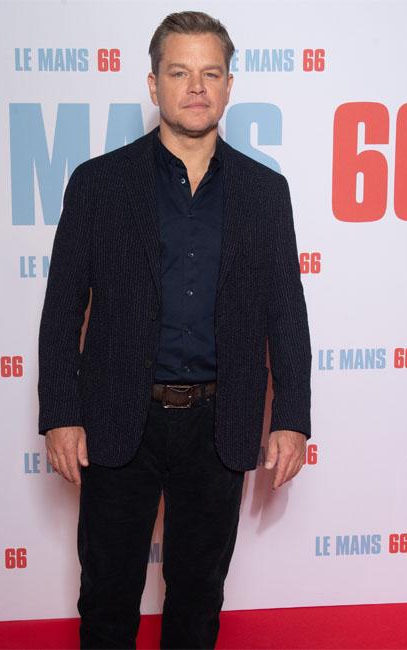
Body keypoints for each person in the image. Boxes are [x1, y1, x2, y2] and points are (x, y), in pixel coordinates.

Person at [38, 10, 312, 649]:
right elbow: (61, 309)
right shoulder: (99, 184)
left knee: (197, 601)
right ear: (153, 84)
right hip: (116, 419)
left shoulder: (266, 193)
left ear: (229, 86)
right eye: (179, 73)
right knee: (106, 598)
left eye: (210, 74)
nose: (196, 88)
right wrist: (60, 415)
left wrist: (291, 418)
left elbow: (286, 313)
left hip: (219, 424)